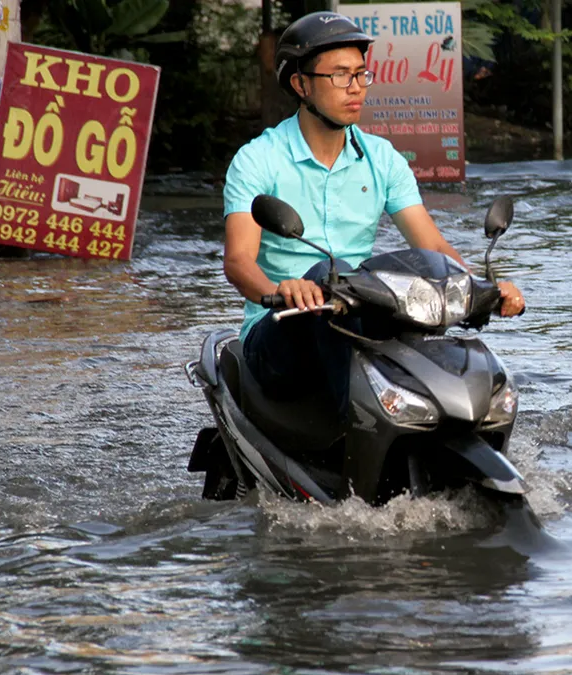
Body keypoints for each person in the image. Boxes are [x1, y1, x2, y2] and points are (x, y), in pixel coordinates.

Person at [221, 12, 525, 412]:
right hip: (278, 334)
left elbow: (431, 244)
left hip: (356, 318)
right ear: (301, 85)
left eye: (362, 74)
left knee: (419, 300)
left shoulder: (383, 159)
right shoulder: (257, 160)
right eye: (341, 76)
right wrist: (279, 291)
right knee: (326, 274)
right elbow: (238, 261)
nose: (357, 88)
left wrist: (481, 288)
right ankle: (356, 422)